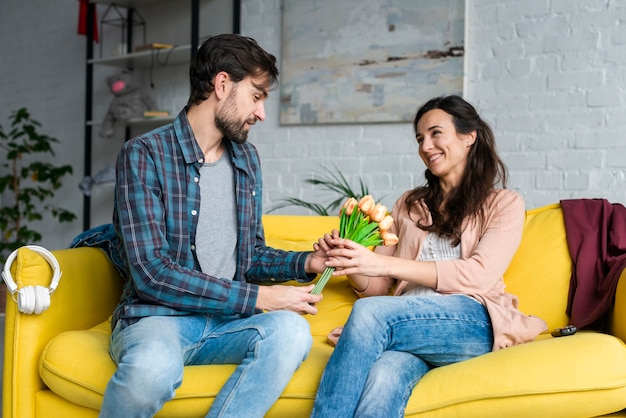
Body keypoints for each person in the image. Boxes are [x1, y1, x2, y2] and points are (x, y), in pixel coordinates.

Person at [98, 34, 333, 418]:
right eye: (257, 96)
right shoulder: (144, 155)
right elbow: (151, 274)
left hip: (226, 324)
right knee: (150, 372)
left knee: (291, 333)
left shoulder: (246, 159)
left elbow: (250, 256)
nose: (261, 113)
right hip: (160, 319)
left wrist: (308, 262)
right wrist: (259, 298)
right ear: (222, 85)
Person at [310, 95, 548, 417]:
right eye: (420, 138)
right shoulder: (409, 204)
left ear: (468, 136)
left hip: (470, 320)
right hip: (408, 325)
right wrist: (351, 260)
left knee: (369, 315)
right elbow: (381, 286)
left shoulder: (504, 204)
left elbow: (478, 276)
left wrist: (380, 262)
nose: (426, 145)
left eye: (436, 133)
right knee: (383, 377)